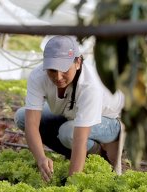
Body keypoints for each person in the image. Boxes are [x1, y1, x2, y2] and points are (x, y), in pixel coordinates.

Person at [14, 36, 125, 182]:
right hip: (71, 113)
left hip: (112, 121)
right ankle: (74, 157)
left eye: (64, 69)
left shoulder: (90, 86)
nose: (58, 77)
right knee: (21, 116)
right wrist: (41, 158)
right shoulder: (38, 76)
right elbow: (31, 125)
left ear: (78, 62)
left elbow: (80, 138)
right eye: (52, 70)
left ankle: (99, 157)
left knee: (68, 133)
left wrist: (71, 183)